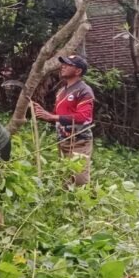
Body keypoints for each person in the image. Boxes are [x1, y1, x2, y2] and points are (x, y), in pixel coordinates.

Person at [32, 55, 95, 186]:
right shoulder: (61, 92)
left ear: (78, 71)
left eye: (68, 64)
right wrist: (44, 114)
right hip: (63, 140)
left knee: (79, 180)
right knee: (65, 178)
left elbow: (83, 117)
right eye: (63, 64)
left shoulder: (84, 91)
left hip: (79, 141)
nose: (63, 66)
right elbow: (58, 117)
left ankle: (87, 198)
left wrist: (52, 117)